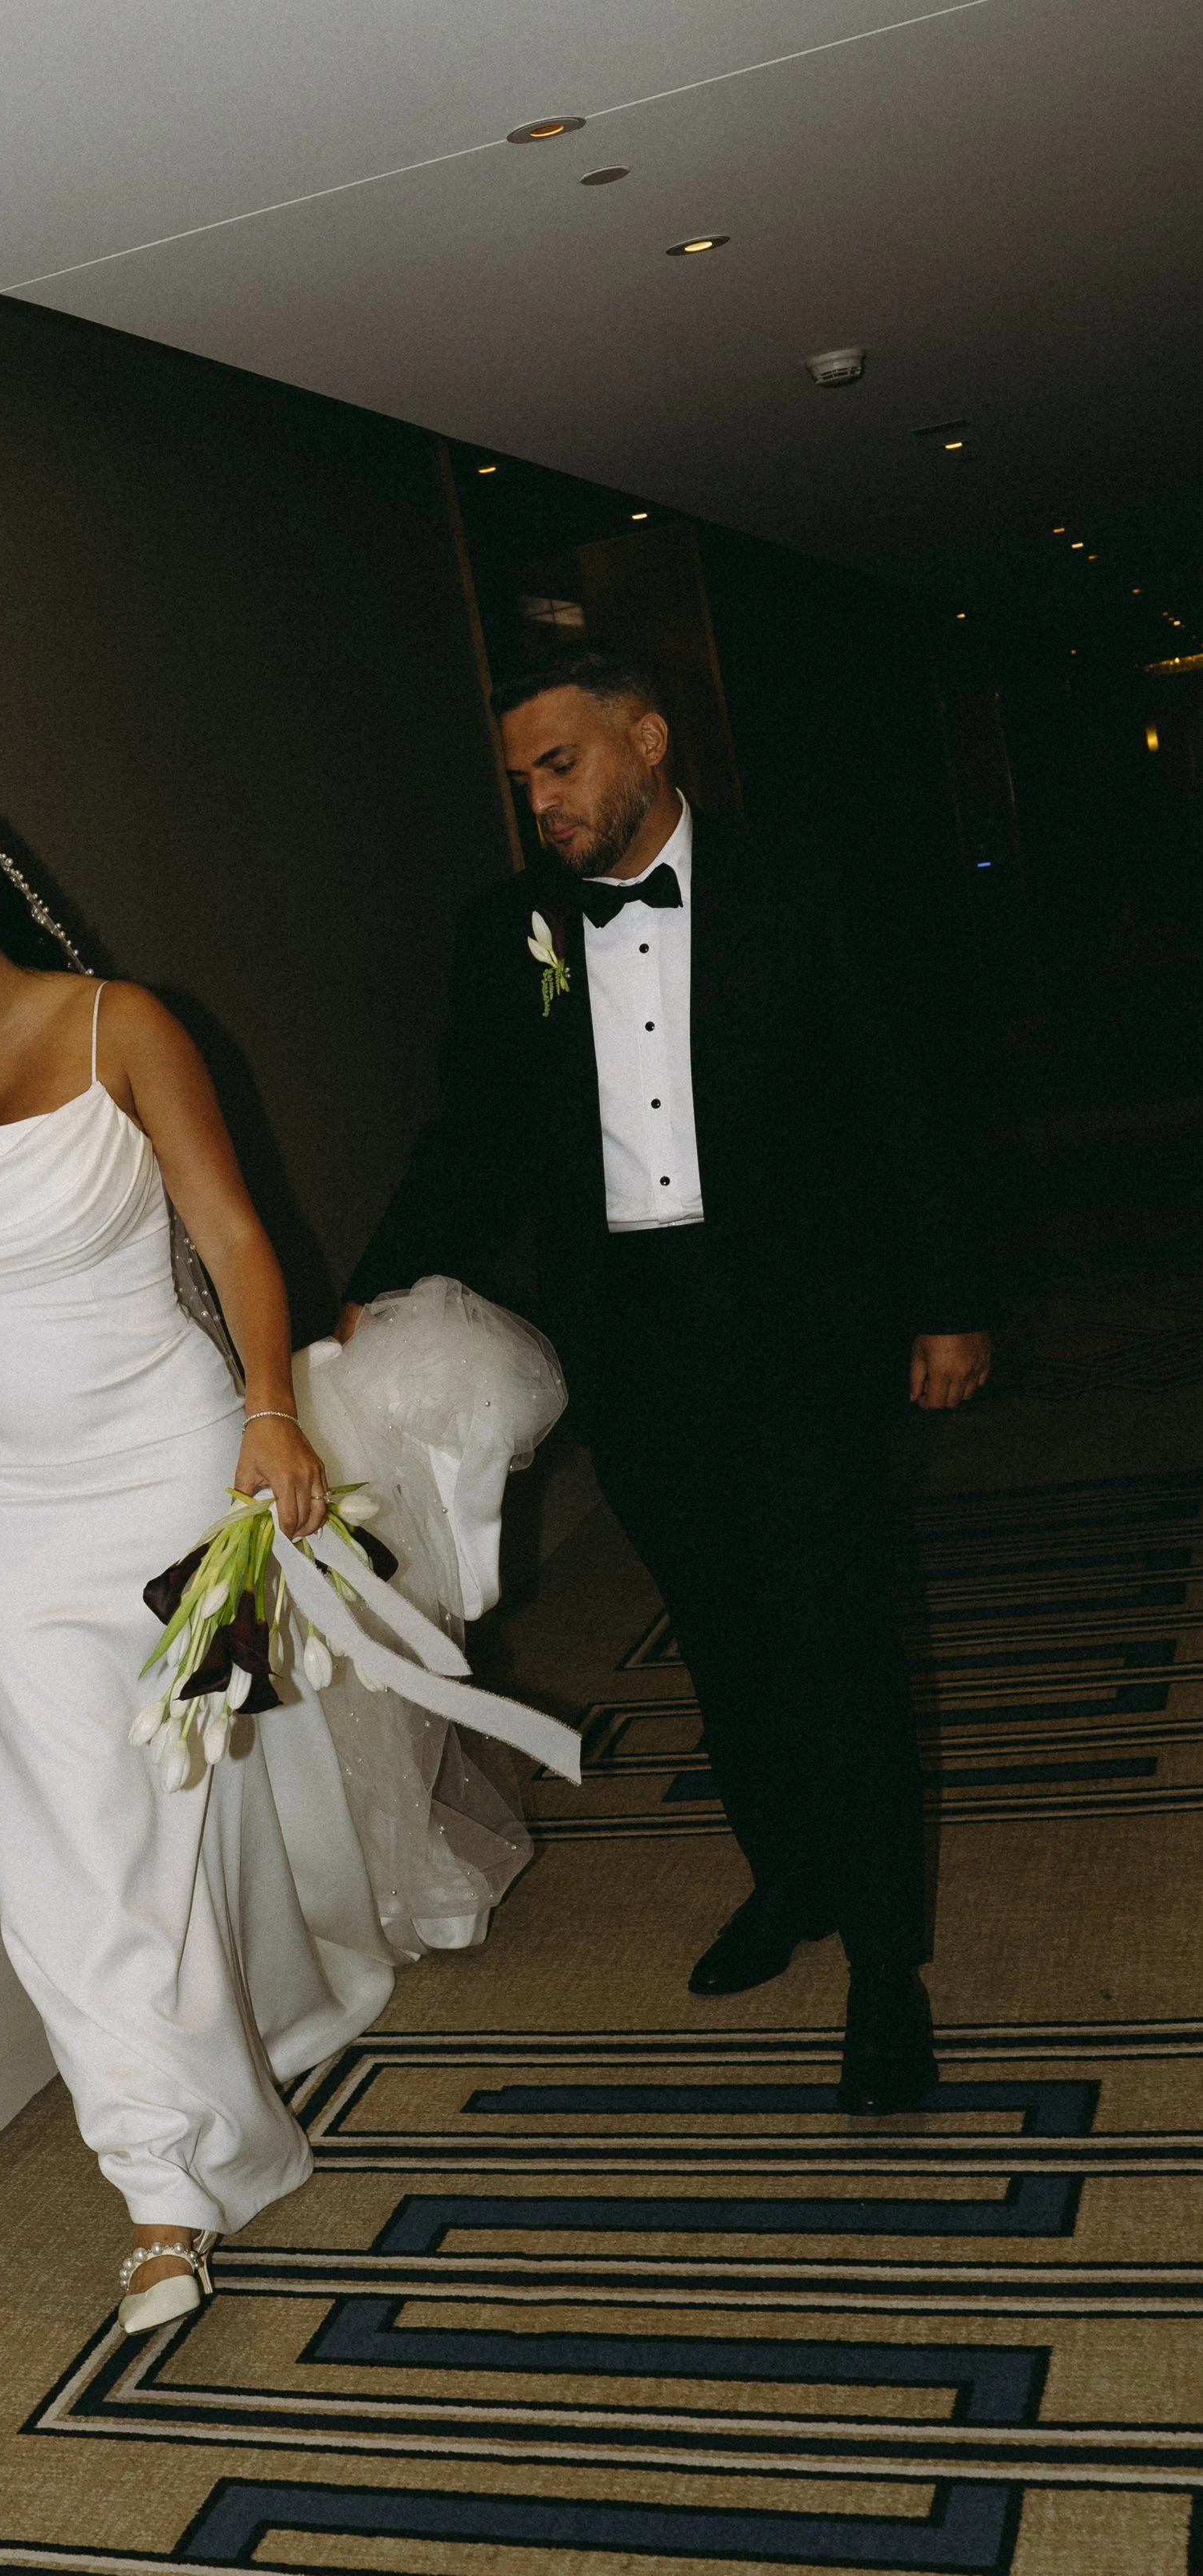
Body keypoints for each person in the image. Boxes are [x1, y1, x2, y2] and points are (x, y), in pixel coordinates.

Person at [342, 645, 994, 2114]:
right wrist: (363, 1293)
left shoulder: (802, 886)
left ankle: (887, 1967)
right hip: (630, 1338)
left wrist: (950, 1306)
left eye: (560, 767)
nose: (540, 805)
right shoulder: (504, 930)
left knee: (832, 1624)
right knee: (720, 1624)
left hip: (805, 1317)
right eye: (521, 784)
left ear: (647, 742)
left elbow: (909, 1101)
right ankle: (792, 1881)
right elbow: (472, 1140)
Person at [0, 782, 394, 2333]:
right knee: (68, 1832)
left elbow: (233, 1232)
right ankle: (163, 2185)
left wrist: (272, 1419)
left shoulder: (123, 1024)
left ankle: (264, 2013)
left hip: (182, 1468)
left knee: (193, 1784)